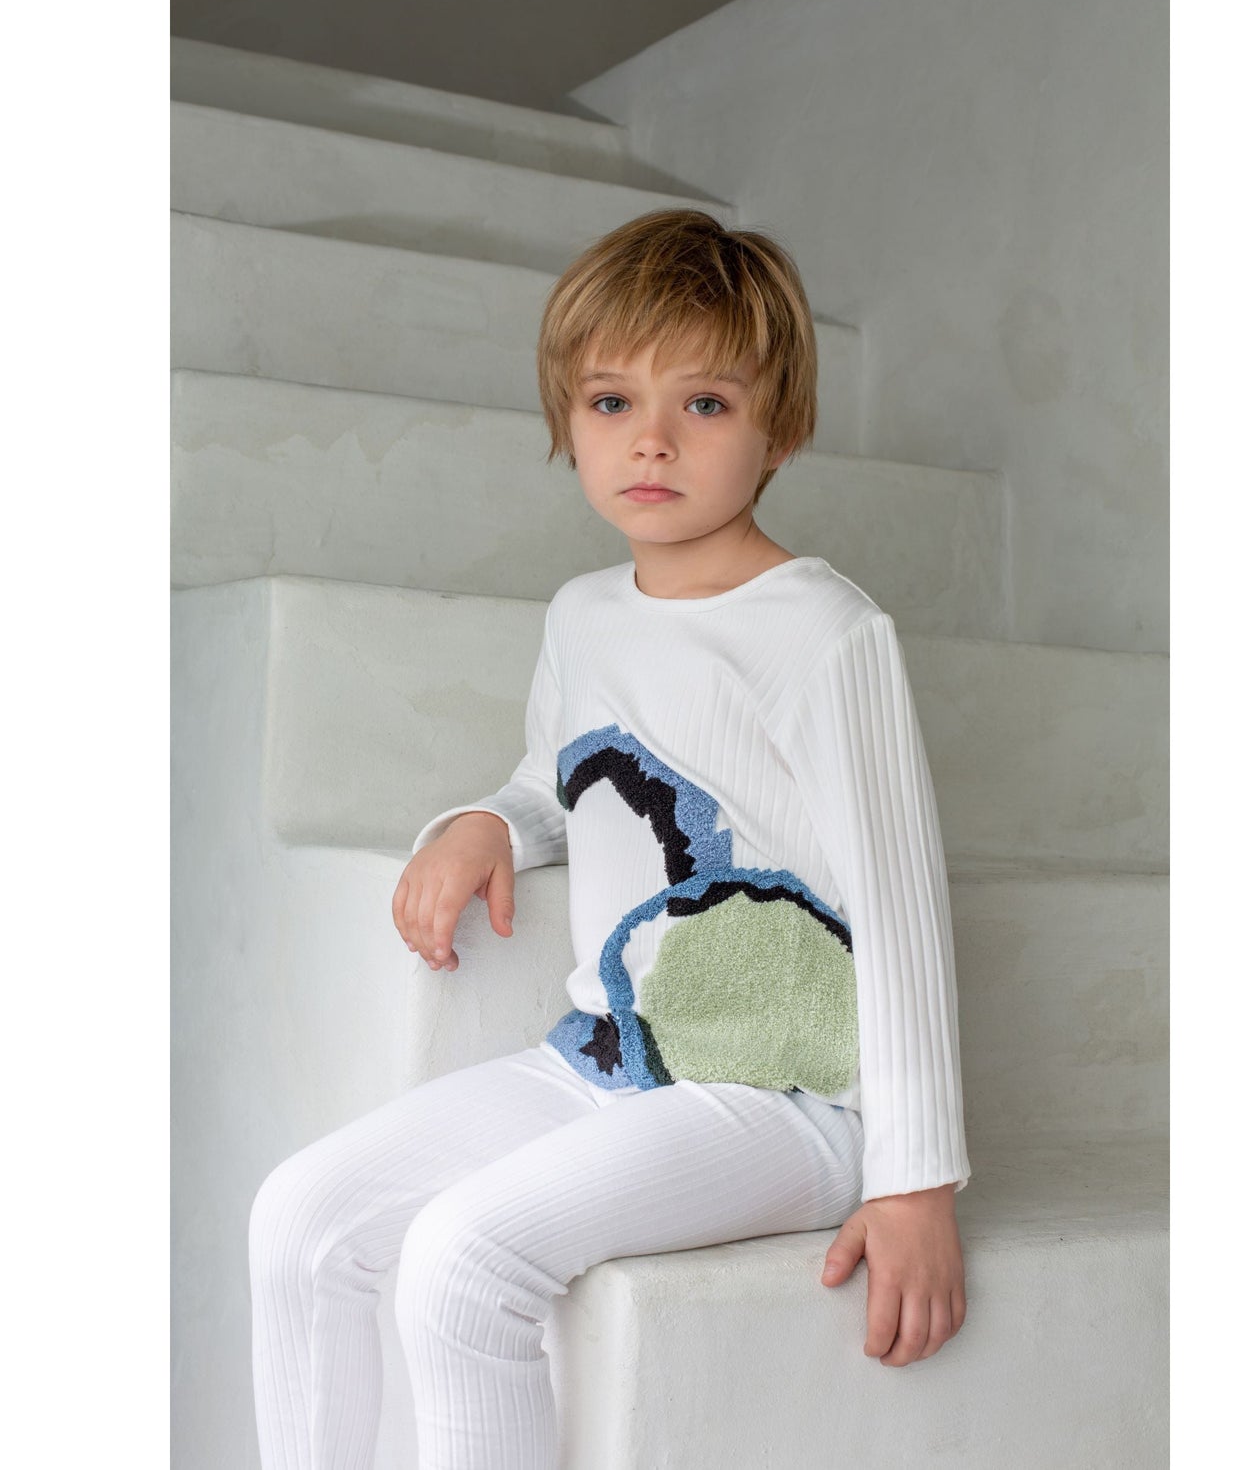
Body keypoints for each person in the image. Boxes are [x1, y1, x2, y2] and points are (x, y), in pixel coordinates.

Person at [249, 208, 971, 1470]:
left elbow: (903, 912)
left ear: (779, 428)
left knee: (463, 1259)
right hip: (604, 1056)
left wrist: (914, 1181)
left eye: (705, 403)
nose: (651, 438)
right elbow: (562, 774)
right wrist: (488, 821)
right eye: (610, 400)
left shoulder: (826, 633)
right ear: (568, 422)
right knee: (300, 1218)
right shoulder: (584, 614)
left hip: (785, 1100)